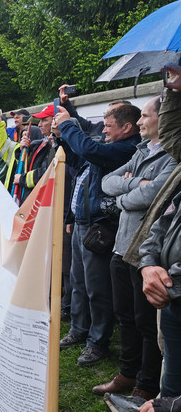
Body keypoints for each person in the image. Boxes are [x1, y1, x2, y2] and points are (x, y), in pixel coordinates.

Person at [93, 96, 173, 400]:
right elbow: (107, 182)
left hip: (146, 251)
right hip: (121, 246)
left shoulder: (171, 156)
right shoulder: (141, 151)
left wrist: (125, 196)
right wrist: (133, 186)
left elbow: (155, 194)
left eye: (146, 116)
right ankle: (128, 372)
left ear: (162, 120)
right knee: (124, 315)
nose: (140, 121)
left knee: (145, 322)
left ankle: (146, 383)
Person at [55, 103, 142, 366]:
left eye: (108, 125)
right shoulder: (108, 147)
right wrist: (63, 138)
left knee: (97, 289)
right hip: (82, 224)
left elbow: (89, 149)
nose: (103, 129)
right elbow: (78, 159)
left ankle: (97, 342)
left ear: (127, 127)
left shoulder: (126, 149)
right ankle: (79, 330)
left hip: (99, 228)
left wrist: (68, 125)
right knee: (79, 283)